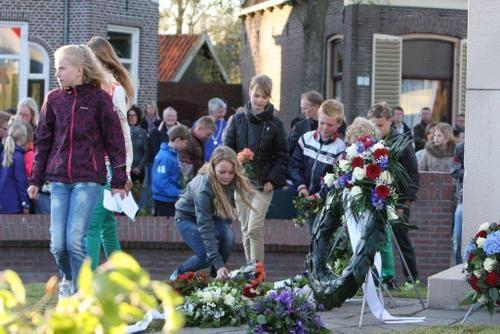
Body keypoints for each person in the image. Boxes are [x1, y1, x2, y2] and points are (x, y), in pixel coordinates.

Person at [27, 44, 127, 296]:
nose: (57, 73)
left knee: (75, 240)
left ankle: (81, 296)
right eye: (56, 68)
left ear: (79, 70)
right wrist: (35, 179)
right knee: (58, 245)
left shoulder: (100, 99)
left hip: (88, 180)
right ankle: (69, 280)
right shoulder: (53, 99)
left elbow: (115, 142)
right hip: (59, 181)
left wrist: (119, 179)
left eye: (62, 67)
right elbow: (43, 141)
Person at [224, 74, 289, 264]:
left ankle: (257, 274)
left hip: (264, 184)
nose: (259, 100)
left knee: (254, 228)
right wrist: (236, 162)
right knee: (245, 230)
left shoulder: (275, 124)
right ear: (250, 93)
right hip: (242, 182)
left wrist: (274, 178)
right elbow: (227, 150)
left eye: (264, 96)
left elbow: (282, 155)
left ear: (269, 98)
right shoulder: (237, 120)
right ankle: (250, 271)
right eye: (256, 95)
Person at [86, 36, 135, 271]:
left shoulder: (113, 90)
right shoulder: (93, 88)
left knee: (93, 224)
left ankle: (86, 283)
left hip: (107, 166)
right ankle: (121, 276)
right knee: (106, 224)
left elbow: (123, 133)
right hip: (96, 163)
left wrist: (124, 170)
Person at [170, 146, 255, 280]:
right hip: (187, 217)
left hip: (212, 216)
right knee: (206, 256)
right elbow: (205, 226)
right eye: (222, 172)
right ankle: (177, 275)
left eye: (231, 172)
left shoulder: (232, 181)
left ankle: (216, 278)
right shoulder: (204, 189)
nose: (227, 176)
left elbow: (226, 215)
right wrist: (219, 263)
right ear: (213, 168)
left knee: (228, 237)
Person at [369, 102, 420, 285]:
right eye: (373, 125)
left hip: (398, 199)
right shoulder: (371, 142)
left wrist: (404, 203)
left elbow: (413, 174)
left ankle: (411, 279)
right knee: (378, 240)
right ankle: (381, 279)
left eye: (380, 125)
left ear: (391, 121)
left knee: (401, 239)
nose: (376, 129)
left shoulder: (401, 142)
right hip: (376, 199)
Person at [288, 99, 346, 232]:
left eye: (330, 125)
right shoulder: (305, 139)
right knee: (313, 234)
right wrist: (301, 186)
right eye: (322, 123)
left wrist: (319, 196)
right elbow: (294, 165)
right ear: (318, 119)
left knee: (320, 236)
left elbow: (337, 179)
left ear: (339, 124)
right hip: (306, 196)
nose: (325, 128)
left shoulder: (340, 148)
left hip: (326, 202)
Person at [152, 125, 189, 217]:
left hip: (167, 198)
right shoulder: (167, 157)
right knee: (165, 228)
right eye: (185, 143)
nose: (186, 146)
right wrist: (179, 192)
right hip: (165, 200)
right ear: (177, 140)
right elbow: (160, 182)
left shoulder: (171, 155)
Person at [0, 121, 30, 214]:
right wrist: (25, 203)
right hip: (14, 204)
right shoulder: (18, 157)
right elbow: (21, 181)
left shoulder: (4, 153)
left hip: (2, 203)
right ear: (22, 139)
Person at [288, 91, 323, 155]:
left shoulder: (334, 124)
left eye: (305, 108)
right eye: (302, 108)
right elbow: (290, 149)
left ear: (317, 106)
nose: (303, 112)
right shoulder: (299, 126)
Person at [127, 105, 149, 184]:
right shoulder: (123, 132)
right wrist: (131, 168)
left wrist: (139, 167)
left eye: (134, 115)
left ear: (138, 117)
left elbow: (146, 152)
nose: (131, 117)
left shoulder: (143, 133)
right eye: (129, 115)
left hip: (139, 170)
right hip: (126, 169)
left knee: (137, 193)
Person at [450, 141, 464, 265]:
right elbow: (454, 170)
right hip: (463, 199)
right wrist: (467, 173)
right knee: (458, 236)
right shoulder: (461, 148)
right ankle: (459, 266)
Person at [204, 98, 228, 162]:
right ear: (211, 111)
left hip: (221, 160)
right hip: (204, 162)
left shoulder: (227, 124)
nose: (222, 114)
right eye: (219, 112)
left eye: (223, 111)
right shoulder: (201, 123)